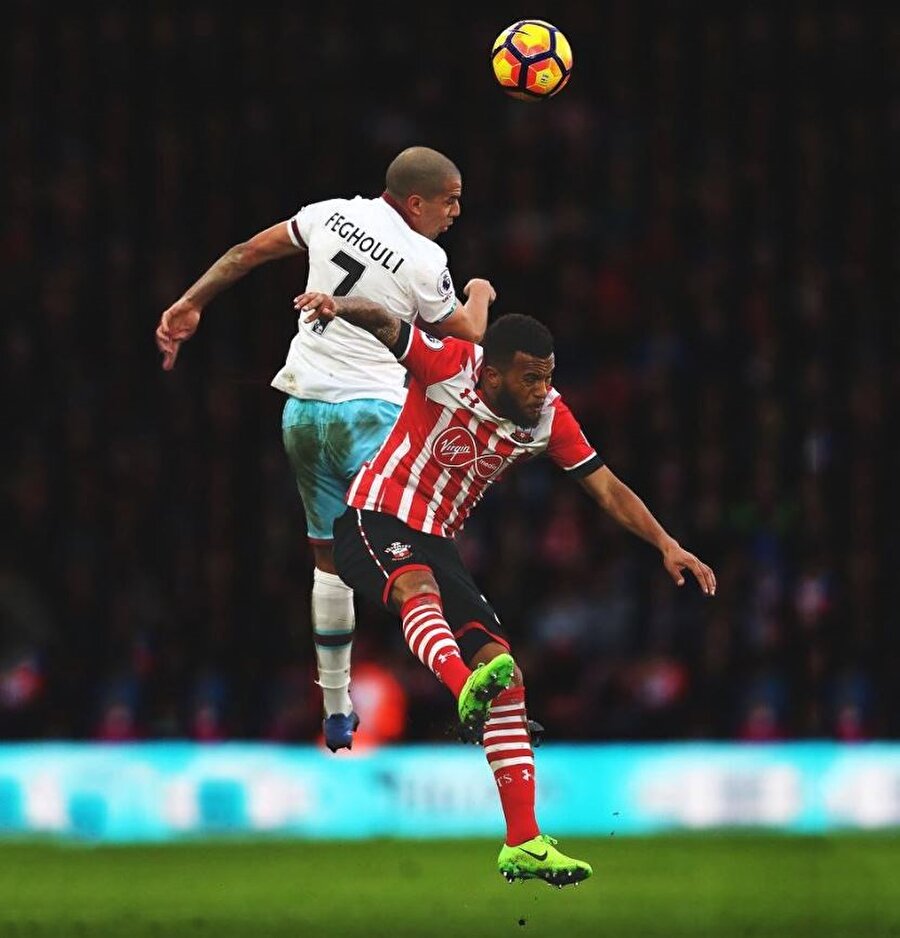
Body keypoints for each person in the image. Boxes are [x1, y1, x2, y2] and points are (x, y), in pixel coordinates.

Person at [292, 289, 717, 887]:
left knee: (507, 672)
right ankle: (462, 686)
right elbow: (388, 323)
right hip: (373, 516)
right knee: (416, 587)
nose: (542, 390)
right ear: (491, 375)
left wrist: (666, 542)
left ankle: (524, 842)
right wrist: (338, 307)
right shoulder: (448, 364)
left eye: (548, 377)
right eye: (530, 379)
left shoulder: (550, 417)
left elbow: (606, 487)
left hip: (438, 540)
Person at [154, 147, 495, 751]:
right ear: (416, 202)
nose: (456, 212)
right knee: (419, 550)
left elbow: (244, 253)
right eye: (450, 201)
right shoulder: (425, 259)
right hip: (374, 414)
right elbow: (467, 334)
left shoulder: (327, 213)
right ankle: (464, 674)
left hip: (303, 413)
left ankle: (336, 710)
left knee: (329, 562)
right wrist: (480, 292)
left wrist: (191, 302)